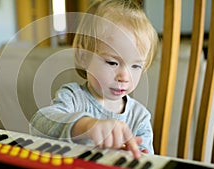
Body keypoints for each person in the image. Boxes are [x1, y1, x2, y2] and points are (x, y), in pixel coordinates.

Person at [30, 0, 158, 159]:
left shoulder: (139, 117)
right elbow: (38, 124)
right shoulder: (73, 97)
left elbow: (147, 159)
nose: (124, 77)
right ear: (84, 58)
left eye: (136, 66)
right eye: (112, 62)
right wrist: (85, 126)